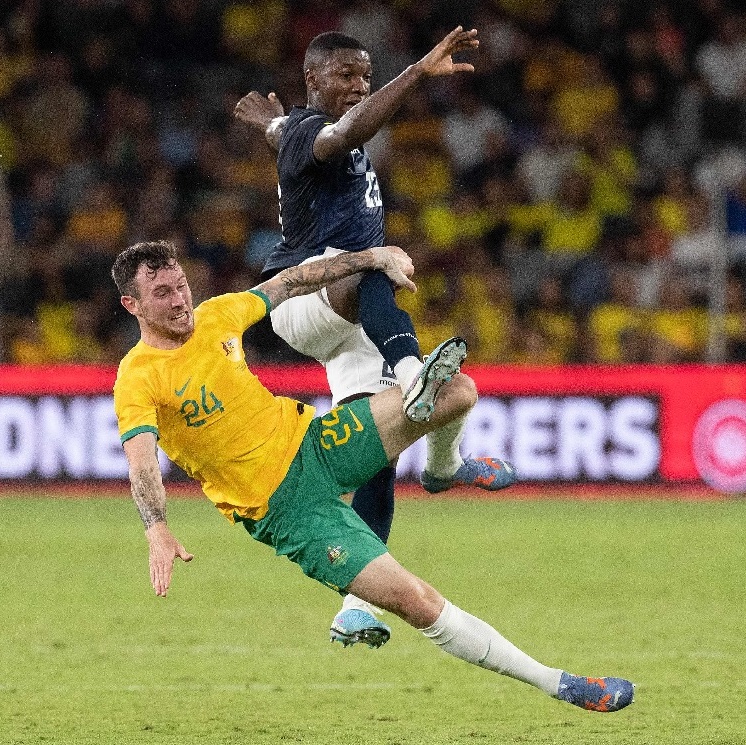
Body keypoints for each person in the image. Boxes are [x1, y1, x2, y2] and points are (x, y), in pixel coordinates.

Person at [111, 239, 634, 713]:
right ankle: (559, 683)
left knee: (456, 392)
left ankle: (442, 469)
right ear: (132, 306)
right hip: (287, 509)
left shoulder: (217, 315)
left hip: (317, 443)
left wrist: (372, 259)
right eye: (161, 294)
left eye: (181, 285)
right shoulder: (137, 377)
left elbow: (294, 280)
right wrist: (156, 527)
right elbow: (141, 459)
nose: (180, 301)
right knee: (418, 601)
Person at [234, 26, 515, 644]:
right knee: (374, 265)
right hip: (303, 297)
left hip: (351, 322)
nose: (358, 88)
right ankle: (418, 381)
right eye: (345, 77)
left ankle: (357, 603)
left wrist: (267, 125)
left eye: (365, 77)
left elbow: (295, 135)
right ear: (312, 79)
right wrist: (416, 73)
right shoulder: (320, 131)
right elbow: (342, 132)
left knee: (377, 453)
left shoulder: (296, 132)